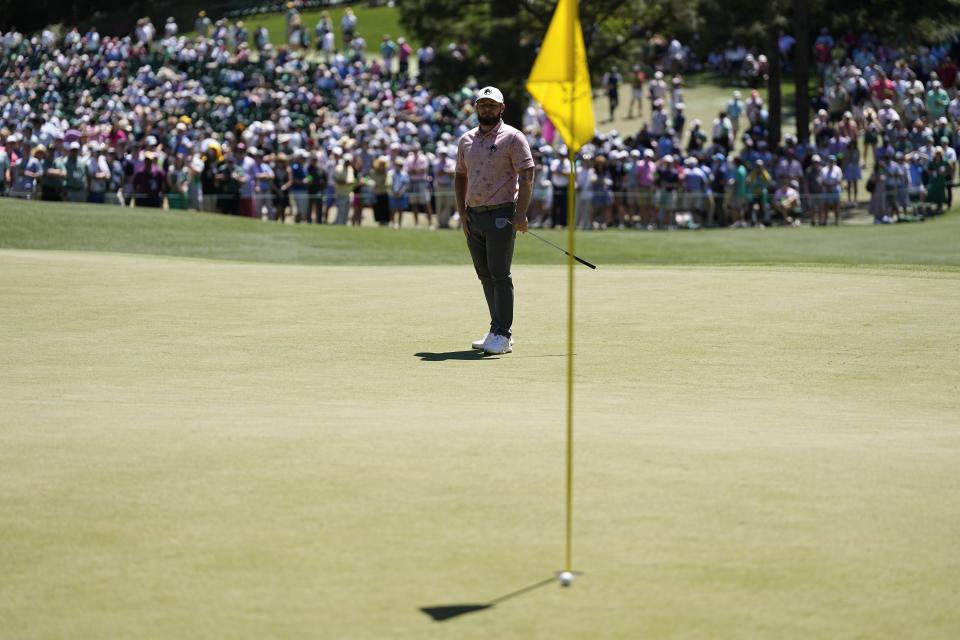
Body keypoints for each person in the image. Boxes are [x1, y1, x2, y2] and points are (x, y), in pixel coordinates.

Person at [455, 86, 534, 355]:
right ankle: (496, 329)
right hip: (473, 214)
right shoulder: (466, 139)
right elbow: (460, 175)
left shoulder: (513, 137)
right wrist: (462, 211)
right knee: (485, 275)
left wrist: (521, 213)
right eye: (482, 104)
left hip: (502, 212)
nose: (486, 109)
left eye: (492, 105)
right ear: (476, 107)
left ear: (502, 108)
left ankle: (503, 333)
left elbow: (527, 174)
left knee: (500, 274)